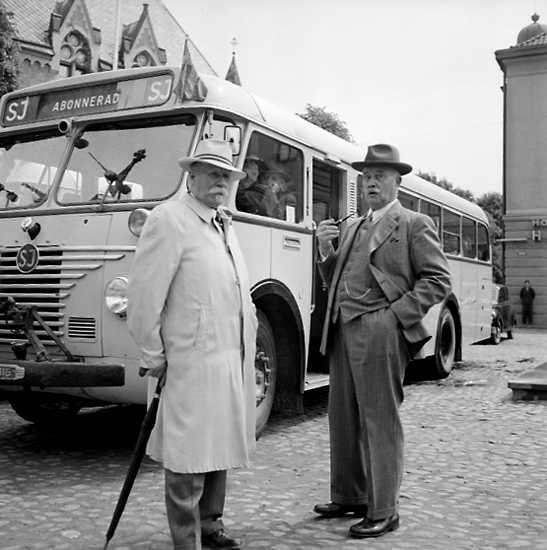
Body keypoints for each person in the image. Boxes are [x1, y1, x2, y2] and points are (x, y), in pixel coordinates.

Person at [313, 144, 451, 539]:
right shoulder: (355, 225)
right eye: (367, 177)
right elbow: (337, 278)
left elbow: (438, 280)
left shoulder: (413, 223)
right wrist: (325, 250)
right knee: (342, 418)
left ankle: (385, 509)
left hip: (380, 329)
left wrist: (394, 317)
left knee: (379, 420)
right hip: (342, 328)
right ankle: (350, 495)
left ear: (397, 182)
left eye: (380, 176)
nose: (371, 183)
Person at [127, 139, 258, 550]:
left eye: (227, 176)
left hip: (227, 355)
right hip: (190, 358)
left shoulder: (223, 224)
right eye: (213, 174)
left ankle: (210, 524)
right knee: (188, 452)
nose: (222, 182)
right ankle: (187, 540)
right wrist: (153, 353)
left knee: (219, 442)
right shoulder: (170, 219)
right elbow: (144, 296)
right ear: (192, 176)